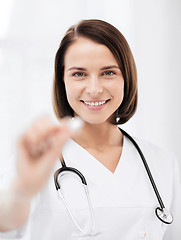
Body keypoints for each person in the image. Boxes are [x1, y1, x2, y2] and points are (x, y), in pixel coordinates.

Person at [0, 19, 180, 240]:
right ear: (62, 81)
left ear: (127, 78)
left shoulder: (162, 163)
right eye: (79, 74)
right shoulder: (36, 162)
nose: (94, 89)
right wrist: (23, 189)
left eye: (108, 73)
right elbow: (5, 222)